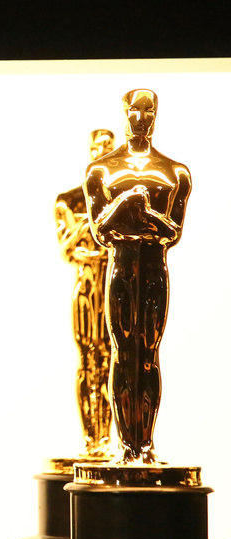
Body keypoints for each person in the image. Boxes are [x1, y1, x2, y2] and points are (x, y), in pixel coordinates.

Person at [85, 89, 190, 465]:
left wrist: (139, 213)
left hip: (154, 268)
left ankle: (143, 445)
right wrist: (129, 208)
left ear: (156, 114)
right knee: (121, 351)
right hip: (121, 265)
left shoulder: (175, 172)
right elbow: (100, 231)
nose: (142, 116)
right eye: (136, 109)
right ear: (125, 113)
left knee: (147, 353)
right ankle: (127, 446)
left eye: (150, 110)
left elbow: (173, 231)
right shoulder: (101, 170)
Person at [54, 129, 116, 458]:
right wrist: (87, 223)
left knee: (111, 359)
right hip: (87, 284)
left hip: (113, 282)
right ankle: (91, 439)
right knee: (87, 360)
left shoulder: (120, 197)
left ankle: (107, 440)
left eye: (108, 149)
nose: (102, 154)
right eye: (98, 149)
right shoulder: (70, 200)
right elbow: (67, 249)